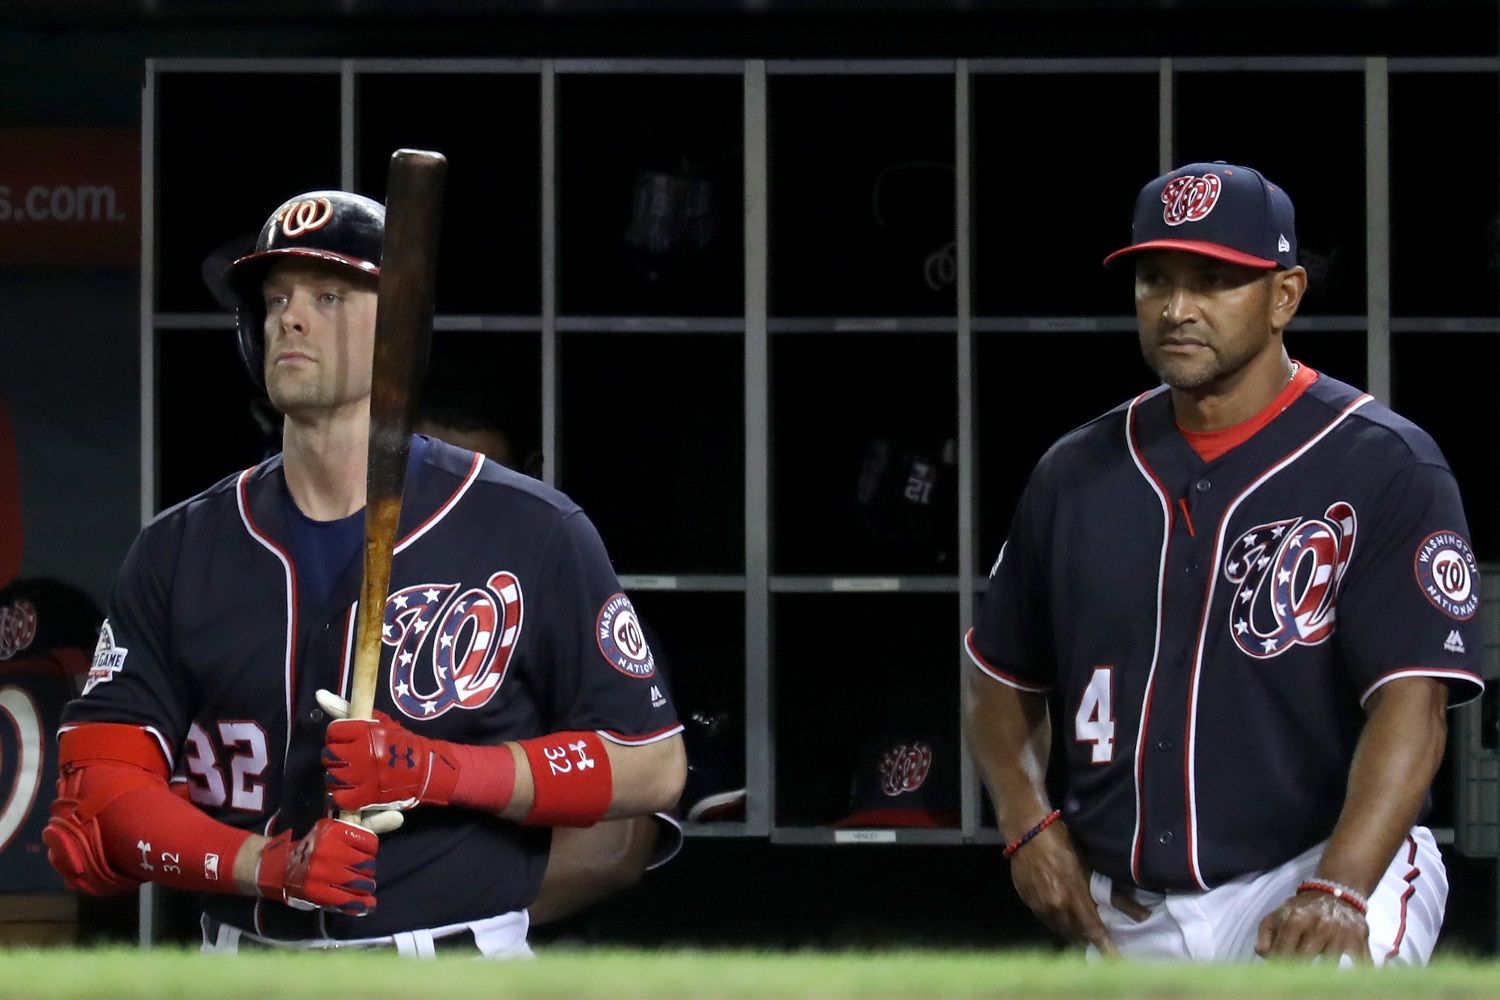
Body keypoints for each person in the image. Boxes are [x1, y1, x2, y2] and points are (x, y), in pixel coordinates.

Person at [44, 189, 686, 957]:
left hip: (451, 959)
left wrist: (441, 770)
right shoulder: (180, 547)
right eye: (275, 298)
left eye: (328, 295)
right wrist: (265, 865)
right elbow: (99, 796)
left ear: (400, 327)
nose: (290, 317)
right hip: (242, 958)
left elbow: (649, 764)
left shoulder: (531, 528)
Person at [963, 161, 1483, 965]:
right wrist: (1025, 822)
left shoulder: (1384, 466)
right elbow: (998, 678)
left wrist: (1340, 887)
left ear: (1285, 297)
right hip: (1125, 904)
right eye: (1155, 279)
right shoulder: (1074, 473)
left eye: (1215, 281)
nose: (1177, 308)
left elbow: (1413, 709)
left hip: (1316, 868)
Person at [408, 399, 681, 925]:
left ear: (525, 474)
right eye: (431, 478)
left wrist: (427, 924)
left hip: (469, 940)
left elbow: (616, 846)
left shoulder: (557, 571)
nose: (450, 506)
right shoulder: (312, 570)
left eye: (474, 481)